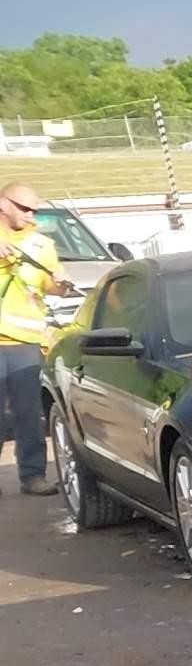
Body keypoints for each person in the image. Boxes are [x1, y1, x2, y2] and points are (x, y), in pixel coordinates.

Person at [0, 182, 62, 496]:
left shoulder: (41, 244)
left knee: (28, 414)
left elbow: (50, 285)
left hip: (24, 342)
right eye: (24, 208)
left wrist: (60, 285)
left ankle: (33, 476)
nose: (30, 215)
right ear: (3, 204)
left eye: (35, 210)